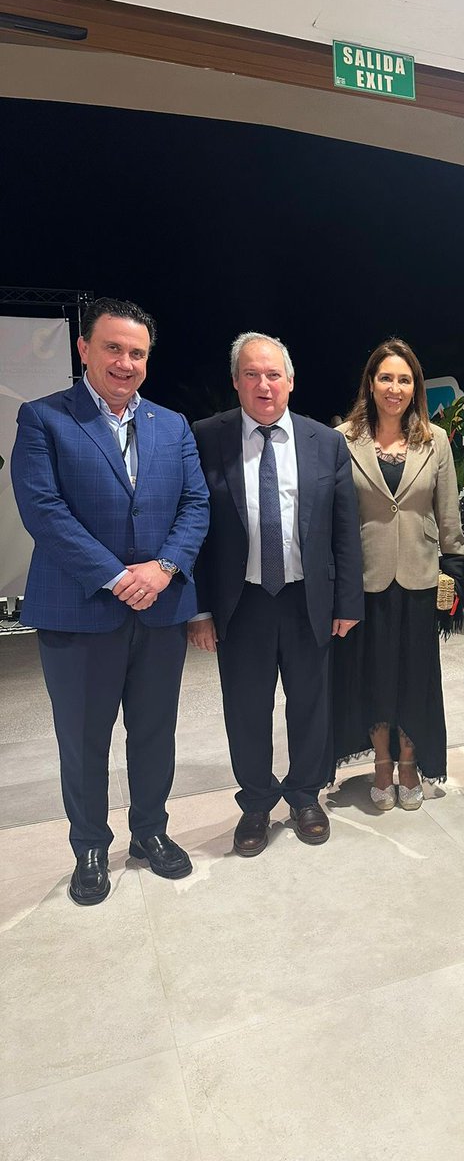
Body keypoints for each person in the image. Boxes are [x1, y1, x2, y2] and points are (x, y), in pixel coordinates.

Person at [10, 297, 210, 905]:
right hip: (79, 609)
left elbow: (195, 504)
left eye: (137, 353)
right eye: (113, 348)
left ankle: (150, 832)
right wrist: (115, 576)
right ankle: (90, 847)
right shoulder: (43, 418)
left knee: (154, 732)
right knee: (83, 739)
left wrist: (164, 568)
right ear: (84, 349)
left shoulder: (172, 425)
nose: (125, 363)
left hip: (160, 609)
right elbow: (43, 510)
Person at [188, 332, 364, 857]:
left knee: (311, 704)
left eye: (272, 374)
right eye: (251, 374)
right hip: (240, 602)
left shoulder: (325, 442)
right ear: (236, 381)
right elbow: (194, 528)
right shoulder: (206, 437)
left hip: (307, 598)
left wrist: (347, 603)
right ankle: (257, 803)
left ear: (290, 381)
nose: (263, 385)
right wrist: (198, 609)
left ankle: (306, 796)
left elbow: (344, 531)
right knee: (246, 708)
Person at [332, 339, 464, 808]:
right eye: (386, 377)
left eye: (404, 379)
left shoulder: (436, 440)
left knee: (415, 678)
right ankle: (382, 764)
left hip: (420, 578)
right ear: (371, 383)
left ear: (415, 387)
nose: (395, 388)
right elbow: (336, 517)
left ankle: (410, 762)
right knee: (373, 676)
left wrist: (454, 574)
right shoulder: (343, 439)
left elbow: (448, 516)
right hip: (365, 581)